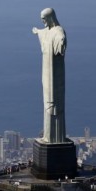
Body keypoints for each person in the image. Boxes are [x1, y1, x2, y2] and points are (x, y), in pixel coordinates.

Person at [32, 8, 67, 143]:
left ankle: (56, 137)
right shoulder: (48, 31)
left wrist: (61, 41)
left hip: (55, 75)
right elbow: (44, 33)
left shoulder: (58, 31)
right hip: (47, 72)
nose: (43, 22)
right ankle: (48, 136)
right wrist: (38, 32)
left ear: (50, 18)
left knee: (55, 104)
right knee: (46, 102)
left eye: (44, 19)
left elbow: (59, 40)